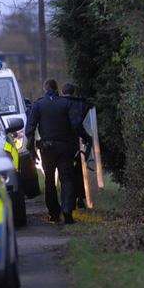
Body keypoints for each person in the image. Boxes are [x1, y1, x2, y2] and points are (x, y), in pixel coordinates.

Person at [26, 79, 78, 224]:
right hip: (64, 148)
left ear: (45, 89)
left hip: (47, 149)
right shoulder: (66, 103)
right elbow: (75, 125)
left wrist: (32, 151)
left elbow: (29, 130)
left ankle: (54, 214)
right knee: (66, 179)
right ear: (57, 89)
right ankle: (67, 211)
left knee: (49, 180)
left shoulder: (38, 105)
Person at [60, 83, 93, 209]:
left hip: (64, 144)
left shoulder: (60, 104)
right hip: (77, 144)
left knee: (67, 174)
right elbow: (80, 124)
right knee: (79, 171)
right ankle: (80, 197)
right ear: (73, 92)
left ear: (63, 92)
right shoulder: (81, 104)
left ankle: (69, 201)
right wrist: (86, 138)